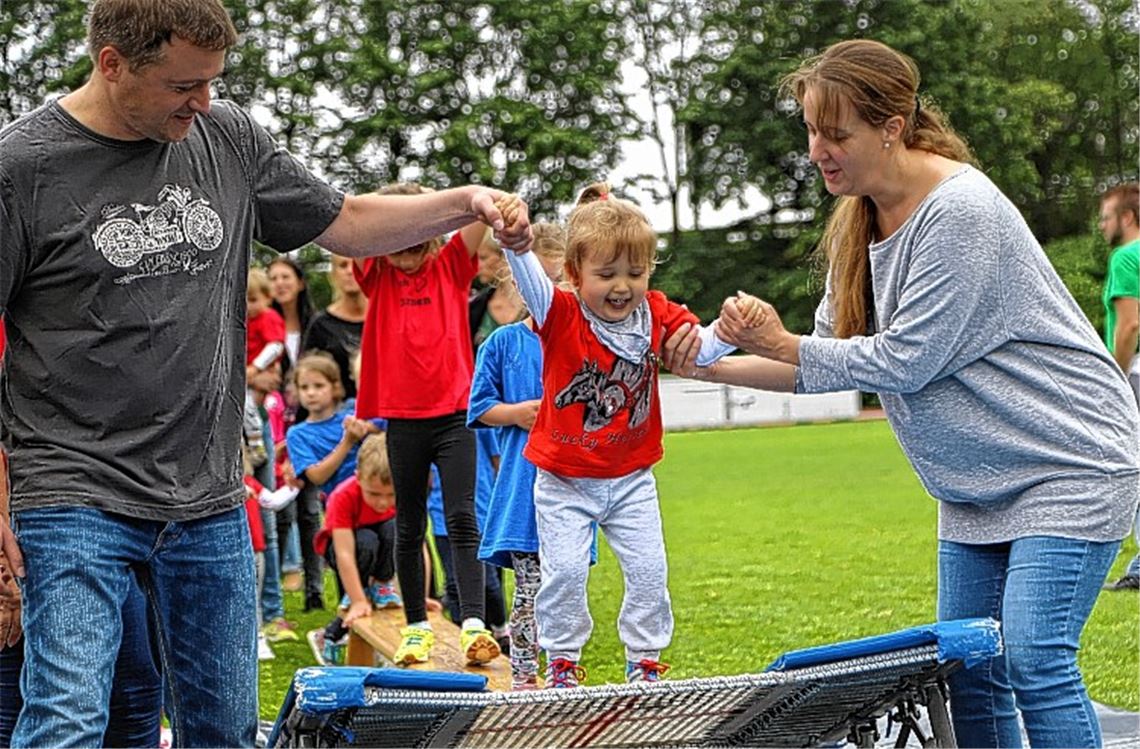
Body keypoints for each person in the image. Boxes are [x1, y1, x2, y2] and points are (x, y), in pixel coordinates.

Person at [0, 1, 533, 744]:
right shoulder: (21, 167)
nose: (205, 101)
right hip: (72, 493)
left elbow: (345, 220)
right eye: (184, 84)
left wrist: (464, 203)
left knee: (225, 727)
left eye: (214, 81)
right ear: (112, 63)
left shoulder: (225, 136)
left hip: (211, 496)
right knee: (68, 721)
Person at [663, 39, 1139, 748]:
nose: (819, 149)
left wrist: (778, 342)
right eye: (811, 131)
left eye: (836, 133)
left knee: (1035, 657)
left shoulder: (961, 211)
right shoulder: (859, 216)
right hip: (976, 486)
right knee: (969, 669)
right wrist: (705, 367)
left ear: (892, 126)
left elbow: (906, 359)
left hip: (1070, 464)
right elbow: (826, 361)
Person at [500, 186, 736, 688]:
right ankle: (562, 662)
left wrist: (732, 330)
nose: (622, 287)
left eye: (636, 272)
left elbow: (701, 349)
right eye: (606, 275)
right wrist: (514, 244)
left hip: (632, 480)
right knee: (563, 574)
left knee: (650, 573)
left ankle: (645, 664)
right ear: (574, 273)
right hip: (564, 481)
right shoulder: (560, 315)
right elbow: (530, 282)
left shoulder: (656, 312)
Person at [353, 182, 503, 668]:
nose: (405, 255)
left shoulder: (452, 266)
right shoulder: (377, 274)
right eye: (396, 244)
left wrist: (433, 209)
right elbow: (352, 233)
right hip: (403, 420)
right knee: (409, 523)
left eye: (416, 242)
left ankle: (475, 625)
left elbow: (480, 209)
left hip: (454, 415)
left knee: (462, 517)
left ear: (433, 236)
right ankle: (416, 625)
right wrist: (389, 217)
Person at [468, 222, 567, 689]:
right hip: (524, 492)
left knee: (565, 592)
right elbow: (479, 407)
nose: (546, 292)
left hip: (573, 491)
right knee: (530, 591)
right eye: (536, 280)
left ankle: (563, 673)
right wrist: (516, 413)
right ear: (515, 281)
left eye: (557, 282)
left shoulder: (583, 341)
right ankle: (526, 678)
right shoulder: (502, 343)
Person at [310, 433, 400, 665]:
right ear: (358, 478)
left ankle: (381, 585)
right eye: (374, 494)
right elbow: (344, 554)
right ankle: (332, 633)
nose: (382, 503)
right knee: (366, 540)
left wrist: (419, 596)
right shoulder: (342, 496)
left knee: (394, 528)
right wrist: (359, 599)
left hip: (378, 547)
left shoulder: (402, 497)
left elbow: (417, 548)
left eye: (390, 495)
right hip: (344, 549)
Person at [1098, 182, 1140, 591]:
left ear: (1127, 218)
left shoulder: (1126, 257)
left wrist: (1116, 376)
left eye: (1107, 216)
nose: (1102, 225)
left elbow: (1129, 324)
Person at [304, 254, 367, 401]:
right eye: (343, 265)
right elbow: (307, 372)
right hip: (337, 414)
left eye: (356, 264)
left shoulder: (385, 315)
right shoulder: (321, 324)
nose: (350, 271)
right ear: (333, 274)